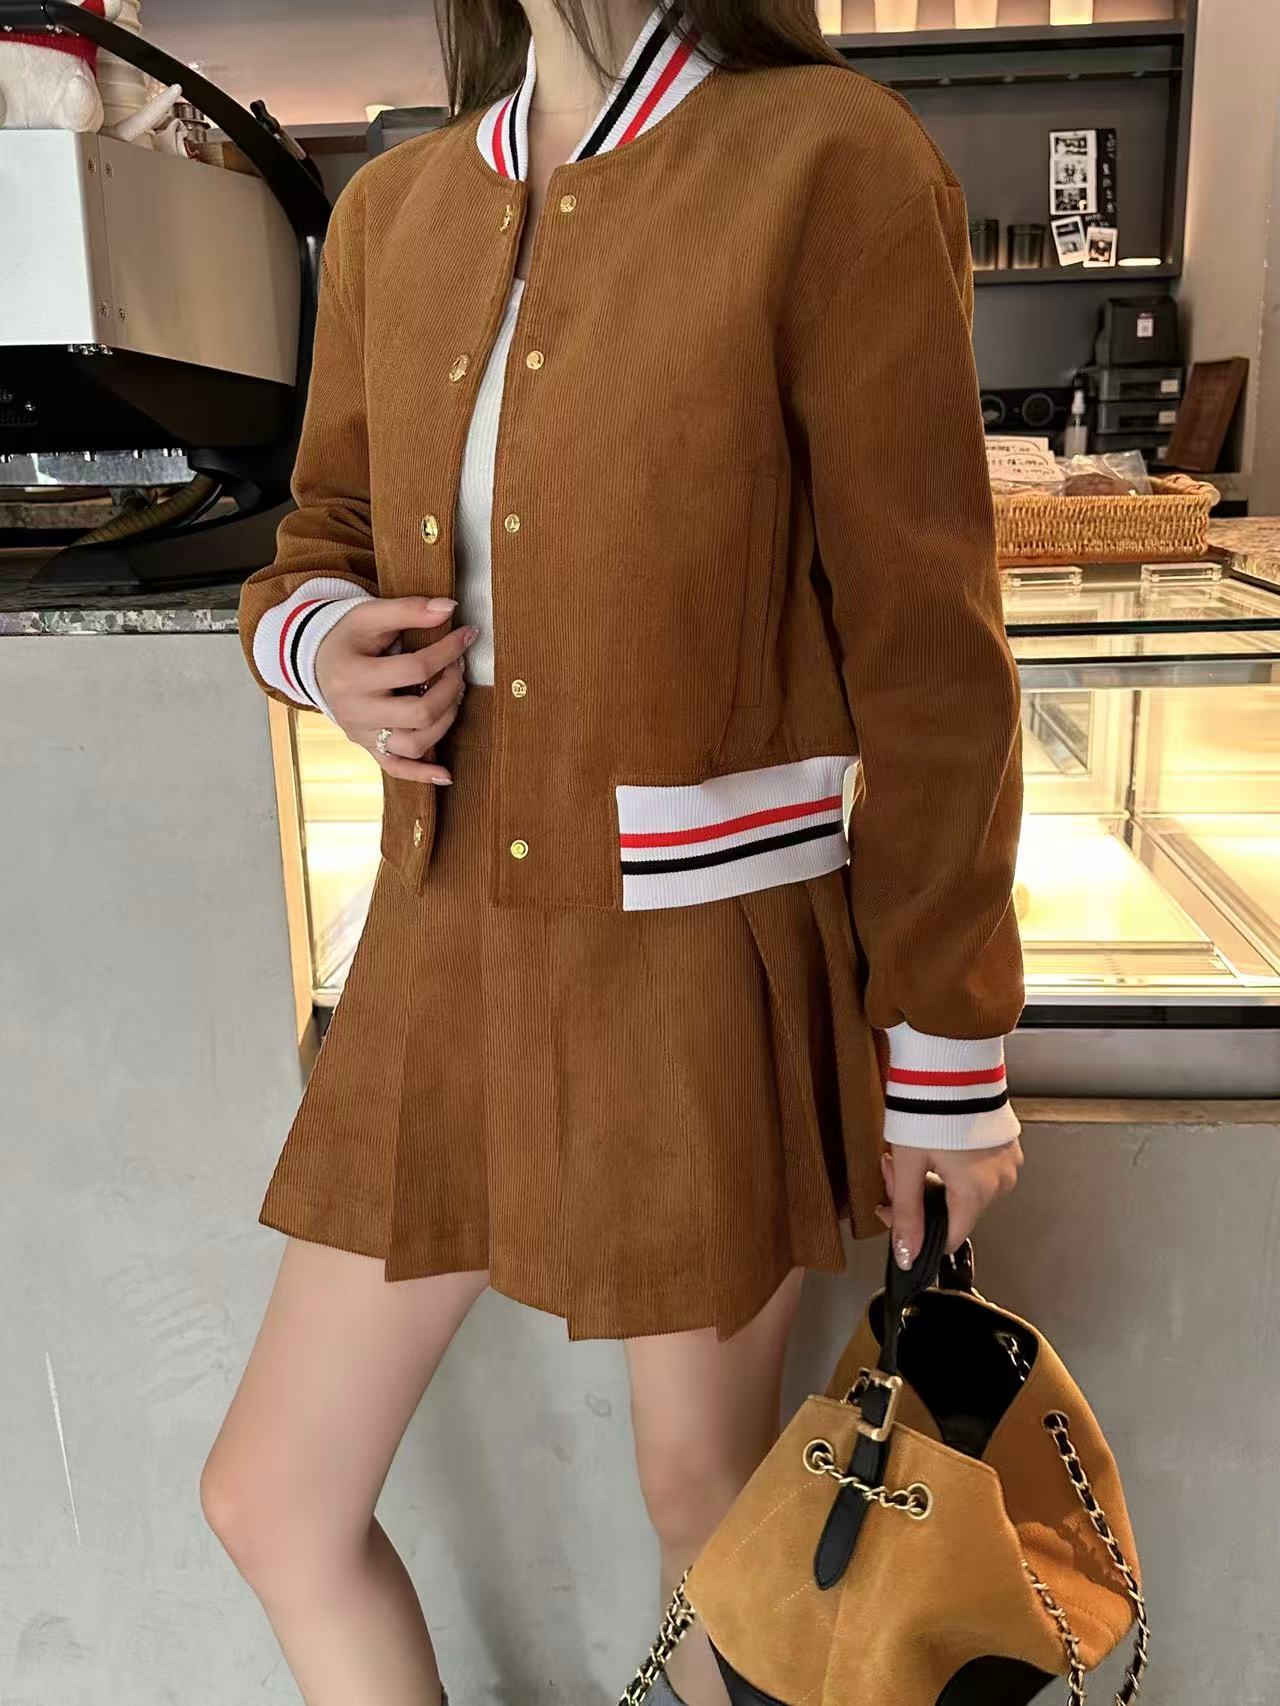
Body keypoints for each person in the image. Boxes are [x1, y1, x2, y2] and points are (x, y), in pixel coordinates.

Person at [201, 3, 1026, 1702]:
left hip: (694, 962)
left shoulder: (828, 162)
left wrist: (946, 1054)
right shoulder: (397, 209)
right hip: (439, 945)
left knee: (707, 1514)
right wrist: (323, 642)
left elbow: (931, 656)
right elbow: (320, 532)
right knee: (273, 1495)